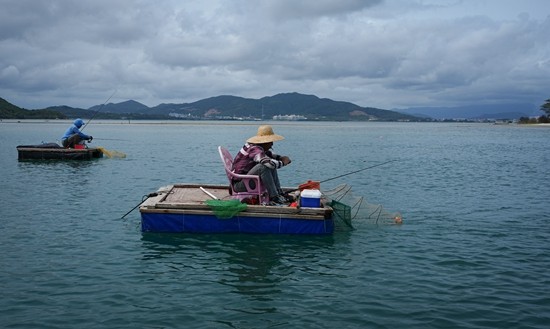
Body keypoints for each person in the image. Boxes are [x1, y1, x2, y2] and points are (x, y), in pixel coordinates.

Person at [232, 125, 292, 205]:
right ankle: (274, 197)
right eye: (270, 142)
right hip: (240, 185)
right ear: (265, 142)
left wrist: (280, 157)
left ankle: (278, 193)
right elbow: (267, 163)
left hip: (245, 180)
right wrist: (283, 162)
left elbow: (268, 154)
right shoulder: (254, 149)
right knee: (264, 166)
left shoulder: (255, 146)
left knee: (270, 164)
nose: (272, 144)